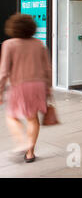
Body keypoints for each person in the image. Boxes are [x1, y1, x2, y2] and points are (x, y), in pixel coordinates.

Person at [0, 13, 52, 163]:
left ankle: (22, 142)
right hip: (38, 86)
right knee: (32, 118)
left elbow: (3, 72)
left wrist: (0, 91)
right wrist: (48, 88)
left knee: (11, 116)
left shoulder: (9, 44)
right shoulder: (38, 44)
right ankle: (30, 153)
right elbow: (47, 68)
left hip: (19, 86)